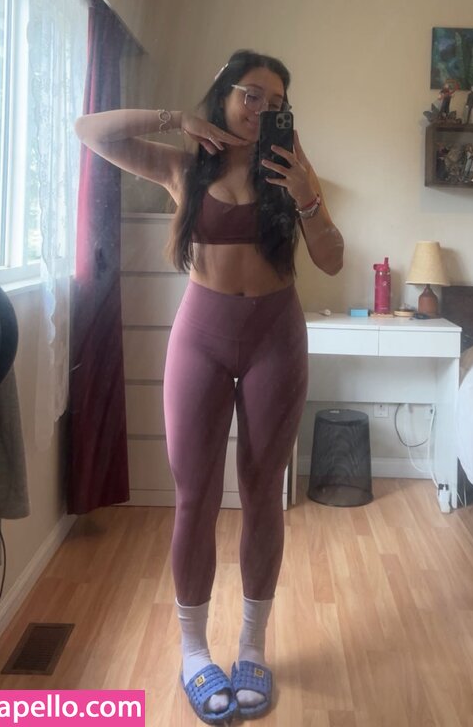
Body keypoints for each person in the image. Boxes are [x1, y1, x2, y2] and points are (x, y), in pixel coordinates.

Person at [74, 49, 344, 724]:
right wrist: (176, 119)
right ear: (223, 93)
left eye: (275, 103)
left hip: (276, 339)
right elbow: (89, 131)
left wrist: (307, 194)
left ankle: (252, 644)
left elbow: (333, 259)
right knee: (194, 497)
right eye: (251, 94)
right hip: (201, 338)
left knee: (262, 494)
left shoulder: (293, 173)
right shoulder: (183, 169)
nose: (261, 109)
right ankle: (194, 651)